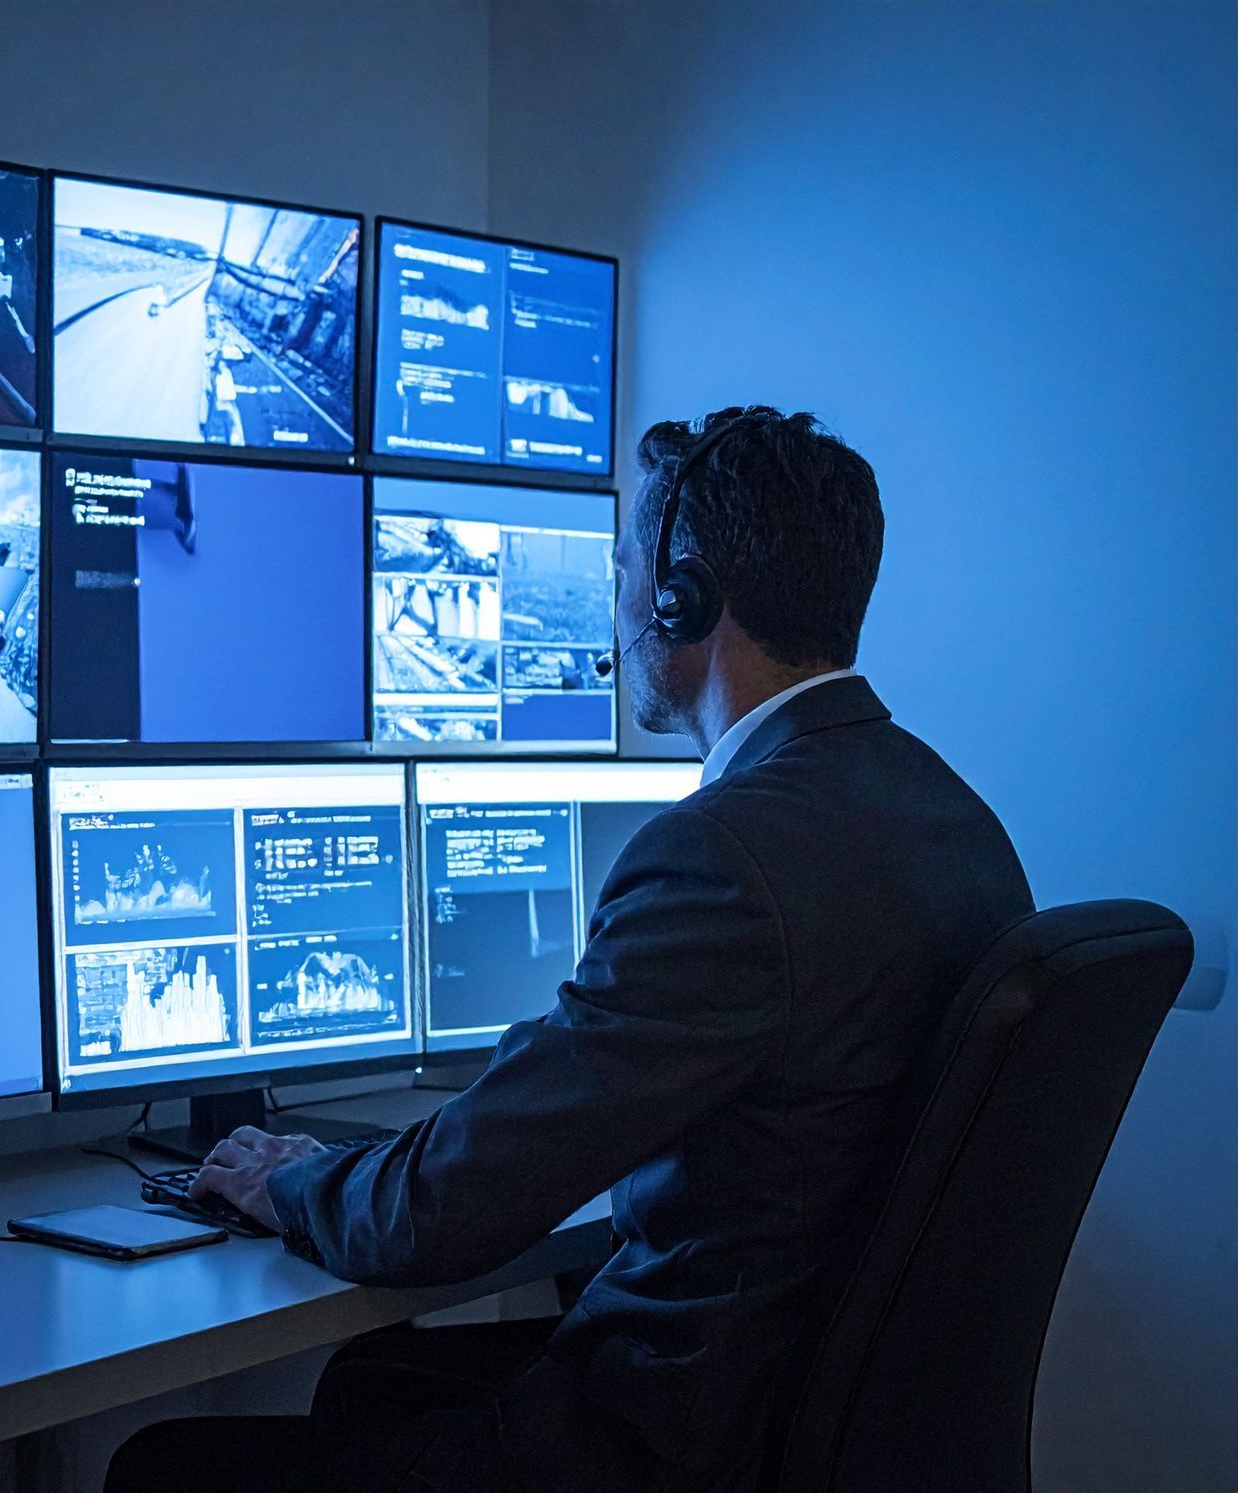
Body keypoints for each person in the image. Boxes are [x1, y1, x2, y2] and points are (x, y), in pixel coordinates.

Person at [104, 406, 1033, 1493]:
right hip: (803, 1405)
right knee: (374, 1375)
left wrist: (301, 1178)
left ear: (682, 596)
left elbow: (441, 1214)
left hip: (675, 1436)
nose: (623, 599)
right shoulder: (958, 820)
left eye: (629, 569)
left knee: (164, 1465)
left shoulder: (722, 854)